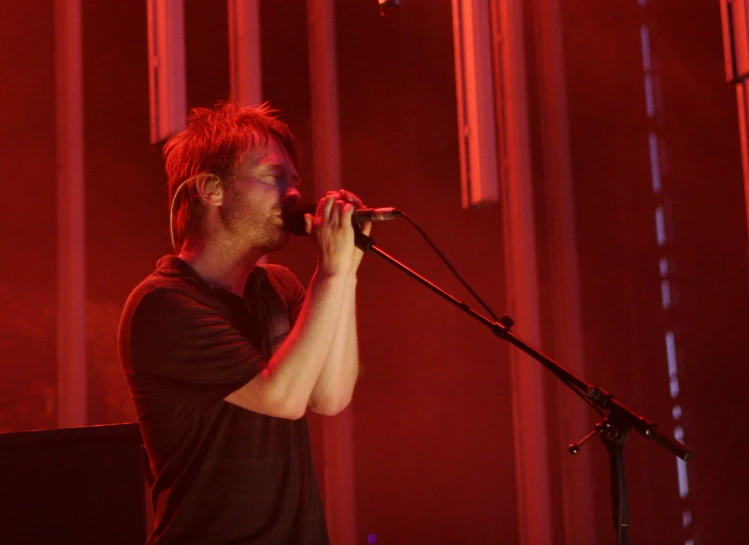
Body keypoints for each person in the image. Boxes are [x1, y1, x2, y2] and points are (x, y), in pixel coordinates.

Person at [118, 101, 367, 544]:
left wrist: (346, 270)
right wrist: (329, 273)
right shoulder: (163, 302)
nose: (293, 194)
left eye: (295, 181)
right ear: (211, 188)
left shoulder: (277, 286)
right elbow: (282, 396)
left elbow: (330, 395)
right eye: (274, 177)